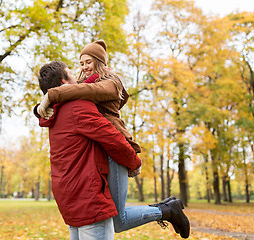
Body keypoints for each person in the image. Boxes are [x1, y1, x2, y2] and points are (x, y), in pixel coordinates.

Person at [35, 40, 190, 239]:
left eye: (88, 62)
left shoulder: (110, 82)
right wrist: (43, 105)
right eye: (78, 66)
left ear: (100, 62)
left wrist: (49, 96)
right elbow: (79, 92)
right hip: (100, 164)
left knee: (119, 219)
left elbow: (107, 125)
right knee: (119, 220)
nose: (81, 69)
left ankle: (168, 210)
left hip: (115, 150)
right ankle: (167, 210)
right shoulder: (73, 104)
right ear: (65, 81)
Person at [35, 60, 142, 240]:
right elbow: (113, 138)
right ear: (64, 82)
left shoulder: (53, 114)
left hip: (68, 196)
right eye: (70, 72)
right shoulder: (77, 107)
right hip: (89, 198)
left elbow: (89, 86)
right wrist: (134, 162)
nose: (77, 76)